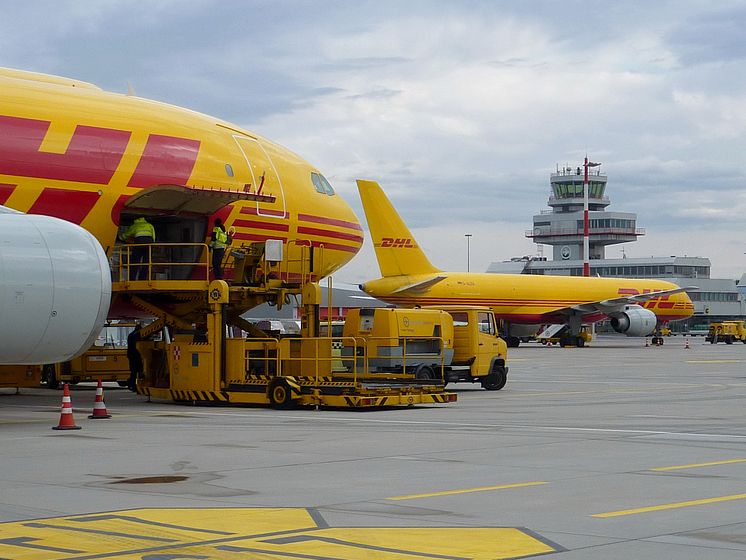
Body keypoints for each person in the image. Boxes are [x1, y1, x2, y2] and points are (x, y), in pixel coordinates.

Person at [126, 324, 143, 392]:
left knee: (133, 372)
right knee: (137, 371)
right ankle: (133, 385)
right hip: (136, 355)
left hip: (131, 355)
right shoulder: (137, 335)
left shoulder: (131, 335)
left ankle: (132, 384)